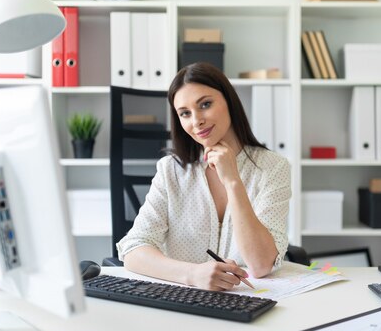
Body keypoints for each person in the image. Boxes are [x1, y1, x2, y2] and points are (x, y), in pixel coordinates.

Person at [117, 62, 291, 291]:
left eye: (205, 104)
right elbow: (134, 249)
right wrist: (192, 274)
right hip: (185, 299)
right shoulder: (171, 170)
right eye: (185, 113)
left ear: (229, 101)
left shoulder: (273, 167)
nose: (196, 120)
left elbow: (260, 265)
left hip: (249, 300)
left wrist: (233, 181)